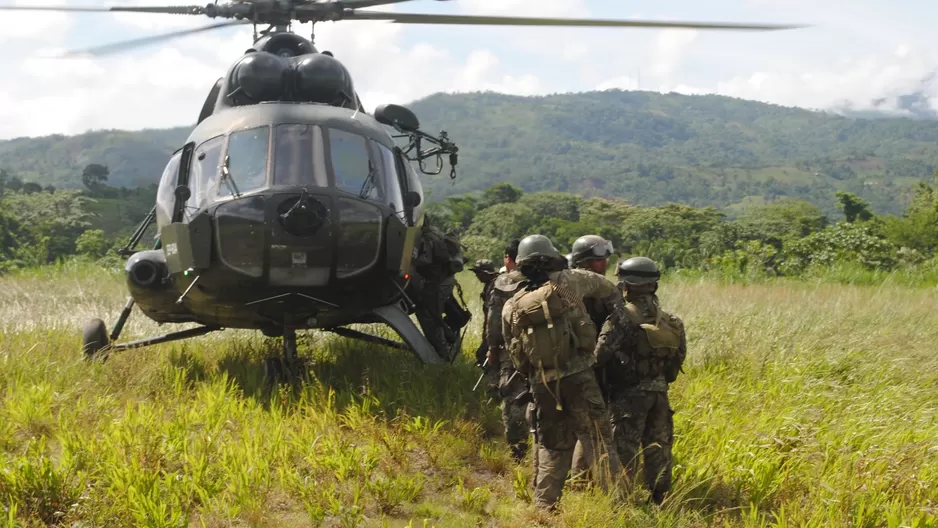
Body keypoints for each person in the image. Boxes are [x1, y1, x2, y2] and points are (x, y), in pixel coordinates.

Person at [500, 234, 627, 511]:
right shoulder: (569, 282)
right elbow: (608, 289)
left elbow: (515, 353)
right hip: (580, 376)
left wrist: (537, 374)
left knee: (552, 447)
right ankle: (620, 507)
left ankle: (544, 508)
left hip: (542, 382)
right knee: (598, 442)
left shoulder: (512, 305)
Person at [600, 256, 687, 506]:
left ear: (626, 285)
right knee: (659, 447)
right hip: (660, 395)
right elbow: (677, 359)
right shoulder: (671, 321)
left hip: (627, 397)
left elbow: (600, 354)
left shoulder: (622, 317)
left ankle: (621, 500)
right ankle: (659, 498)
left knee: (624, 449)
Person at [566, 235, 615, 484]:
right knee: (593, 428)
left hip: (561, 367)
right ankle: (581, 482)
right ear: (585, 261)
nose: (605, 262)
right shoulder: (597, 288)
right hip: (588, 367)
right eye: (599, 259)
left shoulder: (560, 283)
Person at [484, 239, 530, 463]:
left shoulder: (504, 282)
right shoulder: (553, 279)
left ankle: (519, 452)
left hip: (513, 351)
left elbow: (494, 321)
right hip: (550, 350)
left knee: (512, 398)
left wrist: (492, 348)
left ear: (510, 259)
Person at [410, 216, 465, 361]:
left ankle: (443, 356)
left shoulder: (427, 237)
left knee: (432, 321)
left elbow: (426, 259)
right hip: (444, 280)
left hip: (434, 284)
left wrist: (409, 260)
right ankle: (450, 348)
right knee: (437, 317)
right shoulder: (436, 233)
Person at [470, 258, 499, 397]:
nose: (477, 276)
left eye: (478, 273)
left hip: (495, 330)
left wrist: (489, 338)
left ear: (486, 273)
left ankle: (494, 386)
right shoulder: (490, 285)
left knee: (486, 356)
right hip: (491, 330)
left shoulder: (494, 288)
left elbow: (492, 317)